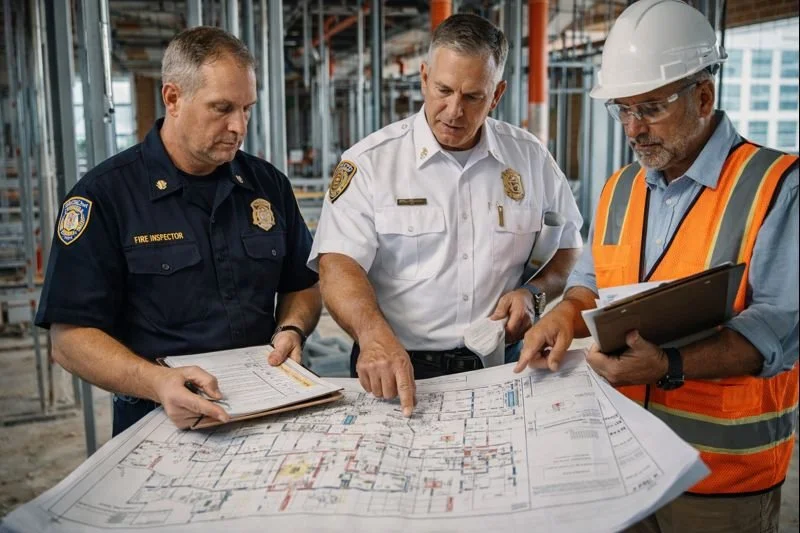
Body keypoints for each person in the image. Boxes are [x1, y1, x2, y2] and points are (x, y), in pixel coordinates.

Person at [515, 0, 798, 531]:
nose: (633, 128)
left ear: (704, 96)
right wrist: (560, 316)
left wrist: (668, 366)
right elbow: (590, 286)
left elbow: (780, 330)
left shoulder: (777, 187)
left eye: (649, 108)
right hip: (622, 462)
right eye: (622, 109)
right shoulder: (620, 188)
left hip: (718, 481)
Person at [35, 27, 321, 435]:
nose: (239, 126)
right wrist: (155, 382)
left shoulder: (267, 185)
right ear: (173, 98)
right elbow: (69, 339)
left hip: (267, 411)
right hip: (159, 422)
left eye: (247, 109)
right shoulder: (105, 197)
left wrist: (291, 328)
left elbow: (304, 283)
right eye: (221, 108)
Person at [308, 14, 583, 416]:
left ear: (497, 93)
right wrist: (372, 335)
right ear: (423, 77)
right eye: (443, 90)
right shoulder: (371, 163)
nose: (454, 110)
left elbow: (569, 248)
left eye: (473, 96)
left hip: (502, 367)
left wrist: (534, 294)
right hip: (396, 368)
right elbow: (337, 263)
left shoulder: (530, 159)